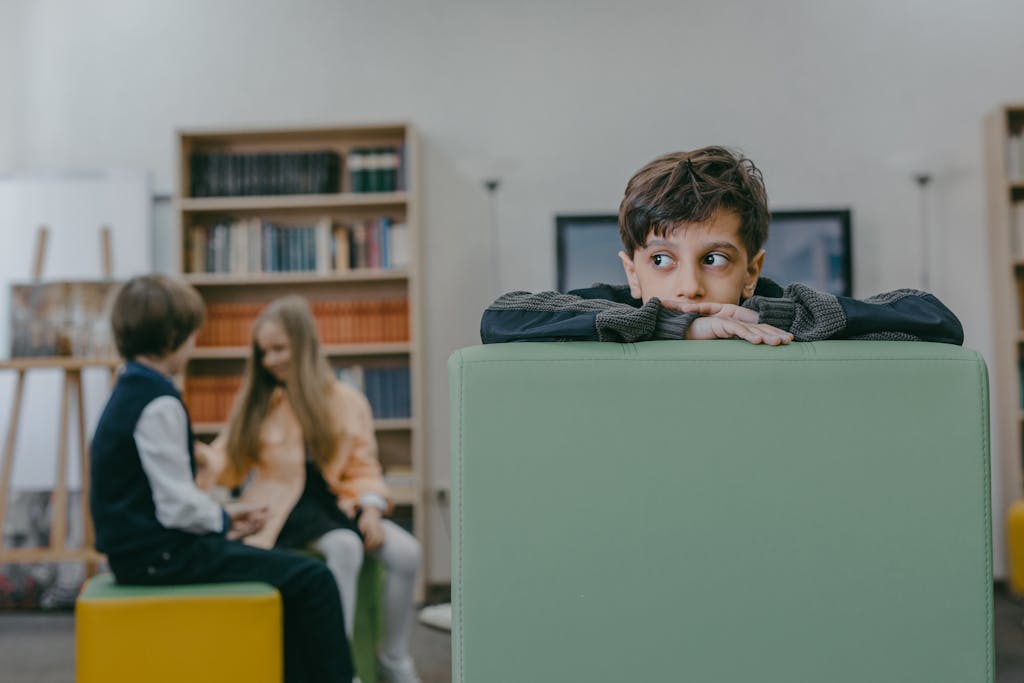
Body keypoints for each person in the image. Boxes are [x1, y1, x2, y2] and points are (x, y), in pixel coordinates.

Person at [90, 275, 354, 683]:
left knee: (286, 578)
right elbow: (177, 506)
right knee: (314, 580)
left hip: (138, 554)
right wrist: (227, 521)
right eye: (194, 335)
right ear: (175, 336)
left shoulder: (127, 391)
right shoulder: (159, 401)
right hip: (160, 559)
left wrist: (224, 517)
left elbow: (163, 500)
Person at [480, 146, 963, 346]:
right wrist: (674, 326)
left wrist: (752, 321)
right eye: (661, 260)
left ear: (751, 271)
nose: (688, 287)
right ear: (633, 271)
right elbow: (499, 319)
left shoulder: (775, 311)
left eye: (713, 259)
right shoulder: (617, 308)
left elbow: (936, 320)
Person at [195, 295, 422, 683]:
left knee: (407, 553)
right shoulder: (260, 401)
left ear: (304, 345)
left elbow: (363, 465)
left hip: (336, 504)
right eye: (264, 353)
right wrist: (195, 460)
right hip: (282, 509)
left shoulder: (347, 401)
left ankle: (394, 659)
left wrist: (370, 509)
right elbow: (227, 461)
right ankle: (339, 665)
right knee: (345, 547)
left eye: (279, 349)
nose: (271, 361)